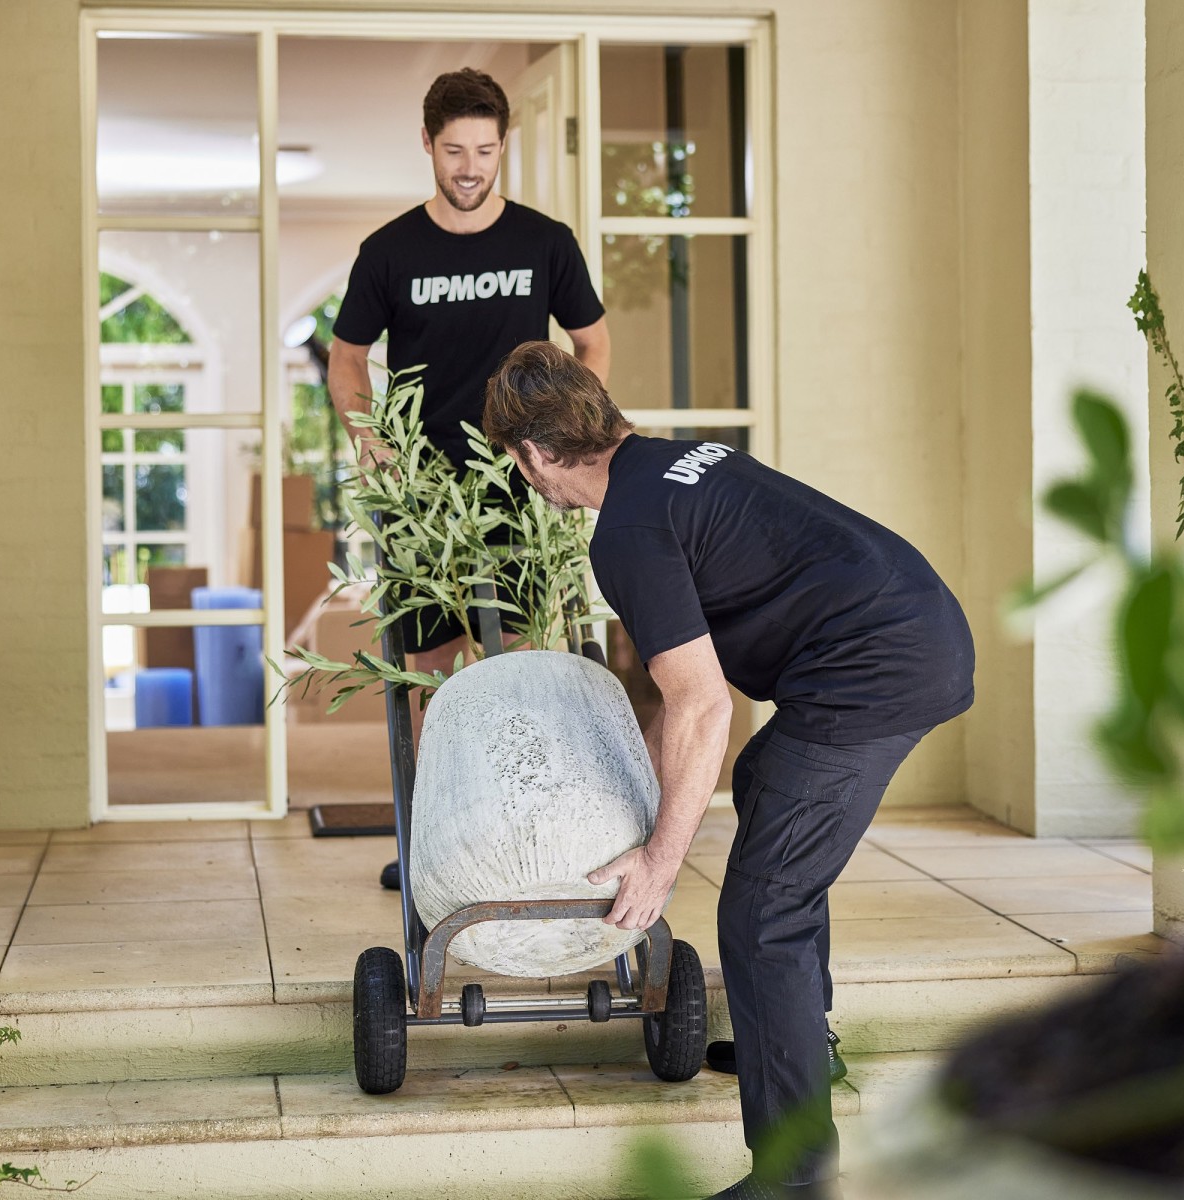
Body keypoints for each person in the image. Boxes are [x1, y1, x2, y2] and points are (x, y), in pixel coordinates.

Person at [482, 342, 976, 1200]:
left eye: (517, 462)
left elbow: (701, 703)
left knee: (760, 912)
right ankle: (792, 1039)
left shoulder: (627, 529)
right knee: (764, 779)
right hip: (914, 623)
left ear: (533, 453)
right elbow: (681, 697)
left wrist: (660, 861)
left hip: (872, 668)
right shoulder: (678, 461)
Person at [326, 68, 609, 886]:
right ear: (428, 145)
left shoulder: (544, 241)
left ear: (503, 145)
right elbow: (347, 359)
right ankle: (434, 843)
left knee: (520, 656)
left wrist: (573, 436)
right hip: (422, 492)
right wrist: (369, 439)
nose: (471, 166)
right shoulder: (389, 252)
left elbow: (591, 341)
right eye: (455, 150)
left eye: (485, 149)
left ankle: (522, 835)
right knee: (426, 667)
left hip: (523, 483)